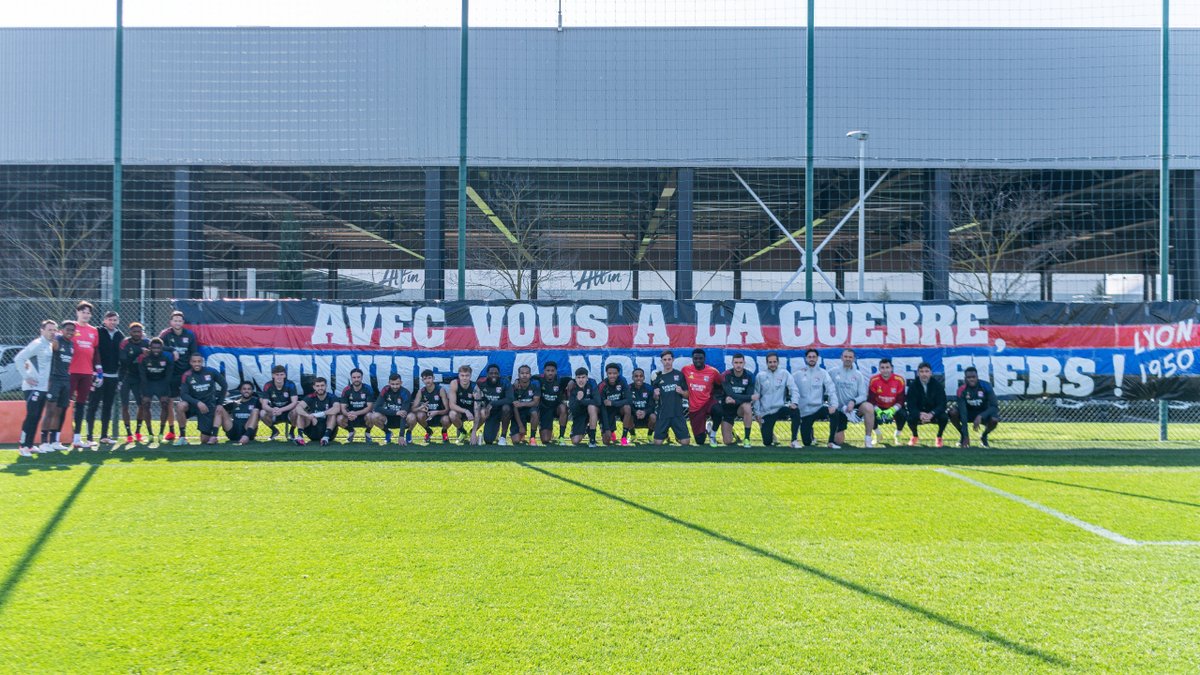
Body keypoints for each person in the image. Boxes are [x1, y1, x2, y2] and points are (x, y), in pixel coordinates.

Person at [13, 320, 57, 456]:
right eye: (49, 329)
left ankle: (30, 445)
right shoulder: (37, 344)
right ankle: (23, 445)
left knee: (37, 416)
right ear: (42, 330)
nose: (52, 332)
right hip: (33, 388)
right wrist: (26, 376)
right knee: (32, 415)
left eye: (54, 330)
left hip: (43, 388)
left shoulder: (50, 345)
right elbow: (18, 358)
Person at [84, 310, 124, 445]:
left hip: (113, 377)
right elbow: (93, 351)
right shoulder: (97, 332)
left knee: (108, 406)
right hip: (98, 376)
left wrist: (120, 377)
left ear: (118, 321)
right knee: (93, 405)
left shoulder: (120, 335)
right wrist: (95, 370)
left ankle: (104, 436)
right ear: (104, 320)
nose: (112, 322)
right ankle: (89, 437)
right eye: (110, 320)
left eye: (115, 320)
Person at [159, 310, 199, 442]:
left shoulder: (190, 335)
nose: (177, 322)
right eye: (175, 320)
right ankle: (171, 431)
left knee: (185, 403)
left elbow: (194, 354)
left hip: (185, 375)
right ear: (171, 322)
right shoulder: (165, 334)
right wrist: (172, 350)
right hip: (170, 374)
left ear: (183, 323)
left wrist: (192, 372)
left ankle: (185, 432)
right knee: (168, 402)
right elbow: (156, 347)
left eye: (180, 320)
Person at [67, 301, 101, 448]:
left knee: (81, 405)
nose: (85, 315)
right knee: (63, 404)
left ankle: (76, 438)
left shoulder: (94, 330)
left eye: (88, 312)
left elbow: (95, 350)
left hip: (86, 373)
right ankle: (55, 437)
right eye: (83, 312)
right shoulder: (70, 328)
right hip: (70, 372)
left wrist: (98, 369)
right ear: (77, 312)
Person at [40, 320, 77, 452]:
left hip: (65, 380)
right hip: (54, 379)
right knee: (50, 410)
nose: (70, 332)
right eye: (68, 329)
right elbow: (44, 353)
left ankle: (54, 440)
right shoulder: (56, 341)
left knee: (60, 411)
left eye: (72, 330)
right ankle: (44, 441)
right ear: (62, 330)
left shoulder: (72, 344)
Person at [175, 353, 228, 445]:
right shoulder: (187, 375)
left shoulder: (211, 372)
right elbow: (184, 395)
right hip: (193, 405)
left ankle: (211, 435)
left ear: (202, 362)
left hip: (207, 407)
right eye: (194, 361)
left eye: (199, 361)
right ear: (190, 362)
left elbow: (224, 385)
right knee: (180, 406)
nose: (197, 364)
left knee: (204, 440)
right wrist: (198, 403)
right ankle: (182, 437)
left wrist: (219, 403)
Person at [794, 349, 839, 448]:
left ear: (817, 358)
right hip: (805, 412)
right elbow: (791, 388)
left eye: (814, 357)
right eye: (809, 357)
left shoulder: (823, 373)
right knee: (807, 443)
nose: (812, 359)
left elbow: (831, 389)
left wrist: (834, 405)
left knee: (834, 412)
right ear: (806, 359)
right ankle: (810, 433)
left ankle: (831, 442)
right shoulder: (798, 374)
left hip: (818, 409)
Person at [829, 348, 875, 448]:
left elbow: (863, 395)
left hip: (853, 407)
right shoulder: (832, 372)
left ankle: (868, 439)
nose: (848, 359)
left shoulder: (858, 375)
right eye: (845, 356)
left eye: (850, 357)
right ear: (841, 358)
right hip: (839, 409)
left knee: (869, 407)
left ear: (854, 359)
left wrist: (853, 401)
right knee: (839, 441)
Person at [752, 352, 799, 447]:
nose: (772, 364)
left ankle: (794, 440)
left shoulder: (784, 373)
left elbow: (793, 388)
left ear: (778, 362)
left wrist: (794, 402)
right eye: (770, 362)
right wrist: (757, 413)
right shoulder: (760, 376)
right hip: (767, 412)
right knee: (767, 442)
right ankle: (770, 435)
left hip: (780, 408)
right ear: (767, 363)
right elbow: (756, 396)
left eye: (774, 362)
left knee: (795, 411)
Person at [137, 337, 176, 443]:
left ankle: (161, 433)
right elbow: (142, 374)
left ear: (161, 348)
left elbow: (168, 375)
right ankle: (150, 433)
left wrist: (164, 386)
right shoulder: (144, 358)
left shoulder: (166, 358)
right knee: (145, 404)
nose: (156, 350)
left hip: (162, 383)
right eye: (153, 348)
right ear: (150, 348)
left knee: (164, 404)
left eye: (158, 348)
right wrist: (145, 387)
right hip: (148, 383)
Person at [951, 366, 1000, 448]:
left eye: (973, 377)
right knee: (952, 412)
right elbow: (963, 413)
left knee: (994, 420)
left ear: (977, 377)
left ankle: (984, 436)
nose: (971, 379)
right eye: (969, 377)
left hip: (983, 412)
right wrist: (966, 435)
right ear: (965, 378)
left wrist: (981, 416)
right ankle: (962, 436)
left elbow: (994, 406)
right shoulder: (961, 390)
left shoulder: (986, 386)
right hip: (968, 413)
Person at [682, 348, 723, 445]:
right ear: (692, 359)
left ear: (704, 359)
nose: (698, 361)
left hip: (708, 401)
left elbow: (720, 385)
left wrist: (716, 398)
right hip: (694, 407)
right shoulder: (685, 370)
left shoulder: (713, 372)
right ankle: (706, 429)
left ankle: (713, 434)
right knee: (700, 441)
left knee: (718, 410)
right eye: (695, 358)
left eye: (700, 358)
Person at [117, 323, 149, 443]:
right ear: (130, 332)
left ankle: (138, 432)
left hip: (139, 378)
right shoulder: (125, 343)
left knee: (141, 405)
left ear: (142, 332)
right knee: (125, 406)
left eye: (139, 331)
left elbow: (155, 351)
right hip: (125, 377)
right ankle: (129, 433)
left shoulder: (146, 343)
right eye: (134, 332)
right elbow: (124, 360)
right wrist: (139, 351)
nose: (137, 334)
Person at [905, 362, 949, 447]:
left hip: (933, 413)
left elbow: (942, 404)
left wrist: (932, 413)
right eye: (921, 371)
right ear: (918, 373)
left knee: (944, 417)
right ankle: (915, 436)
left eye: (926, 371)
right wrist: (919, 414)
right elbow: (910, 405)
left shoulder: (937, 385)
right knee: (910, 418)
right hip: (920, 413)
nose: (924, 374)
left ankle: (939, 437)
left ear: (931, 373)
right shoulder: (913, 386)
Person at [651, 350, 690, 445]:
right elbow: (655, 398)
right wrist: (655, 394)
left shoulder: (679, 375)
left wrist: (681, 392)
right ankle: (665, 435)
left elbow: (687, 395)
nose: (667, 362)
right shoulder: (657, 377)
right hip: (663, 414)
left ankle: (678, 436)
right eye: (665, 360)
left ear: (673, 360)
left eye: (669, 359)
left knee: (685, 442)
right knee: (657, 443)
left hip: (677, 413)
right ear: (661, 361)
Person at [719, 353, 757, 448]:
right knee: (727, 441)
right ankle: (733, 434)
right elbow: (730, 394)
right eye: (736, 362)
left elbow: (748, 397)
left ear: (744, 363)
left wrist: (736, 400)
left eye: (740, 362)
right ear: (732, 363)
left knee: (747, 406)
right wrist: (746, 397)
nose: (738, 365)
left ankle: (747, 438)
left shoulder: (749, 376)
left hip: (740, 407)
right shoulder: (726, 375)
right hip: (728, 409)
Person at [868, 358, 907, 446]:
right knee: (869, 412)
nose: (885, 370)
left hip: (893, 406)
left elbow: (901, 400)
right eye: (882, 368)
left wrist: (892, 410)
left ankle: (897, 435)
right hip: (879, 406)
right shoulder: (874, 380)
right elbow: (871, 399)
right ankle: (878, 434)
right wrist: (878, 411)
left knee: (903, 414)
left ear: (892, 368)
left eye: (887, 367)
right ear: (879, 369)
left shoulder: (899, 380)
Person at [293, 377, 340, 446]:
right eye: (317, 386)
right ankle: (300, 437)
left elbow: (337, 408)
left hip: (328, 431)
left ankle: (325, 438)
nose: (320, 388)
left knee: (333, 414)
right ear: (314, 387)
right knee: (301, 414)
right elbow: (298, 407)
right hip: (313, 430)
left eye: (322, 385)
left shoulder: (332, 397)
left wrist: (318, 415)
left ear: (326, 386)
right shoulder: (310, 397)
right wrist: (309, 416)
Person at [367, 373, 411, 445]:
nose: (395, 386)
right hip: (388, 418)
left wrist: (401, 435)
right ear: (389, 383)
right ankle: (388, 432)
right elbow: (377, 407)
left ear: (401, 383)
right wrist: (395, 412)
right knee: (374, 416)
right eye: (392, 384)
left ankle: (408, 434)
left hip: (403, 420)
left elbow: (403, 415)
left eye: (397, 384)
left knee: (412, 417)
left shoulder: (405, 393)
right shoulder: (385, 389)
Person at [259, 365, 300, 441]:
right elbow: (264, 404)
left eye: (281, 374)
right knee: (262, 413)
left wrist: (282, 410)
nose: (279, 377)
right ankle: (274, 431)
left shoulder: (290, 384)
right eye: (277, 375)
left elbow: (294, 402)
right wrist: (272, 410)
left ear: (285, 375)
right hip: (274, 411)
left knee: (296, 411)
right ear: (273, 375)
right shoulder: (268, 385)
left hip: (288, 411)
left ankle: (292, 432)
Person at [409, 369, 450, 444]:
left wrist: (436, 412)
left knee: (446, 419)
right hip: (427, 417)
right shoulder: (421, 391)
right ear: (422, 380)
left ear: (433, 378)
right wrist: (420, 408)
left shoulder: (440, 390)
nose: (427, 381)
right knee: (419, 415)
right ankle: (428, 431)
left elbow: (447, 409)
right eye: (425, 379)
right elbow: (413, 409)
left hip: (440, 415)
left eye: (429, 378)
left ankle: (444, 432)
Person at [477, 364, 513, 445]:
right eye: (491, 373)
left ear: (499, 374)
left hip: (502, 412)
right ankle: (492, 432)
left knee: (506, 408)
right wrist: (484, 407)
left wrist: (492, 403)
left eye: (496, 373)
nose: (494, 375)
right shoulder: (481, 383)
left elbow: (510, 399)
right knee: (488, 440)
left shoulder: (505, 382)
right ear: (487, 374)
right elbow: (478, 398)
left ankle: (503, 437)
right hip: (490, 413)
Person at [535, 361, 569, 446]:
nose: (550, 373)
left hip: (556, 408)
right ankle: (546, 430)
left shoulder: (561, 380)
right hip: (545, 410)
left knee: (563, 408)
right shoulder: (538, 379)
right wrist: (517, 381)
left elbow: (572, 380)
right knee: (545, 440)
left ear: (556, 371)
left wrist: (571, 382)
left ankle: (561, 437)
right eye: (548, 370)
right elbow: (526, 379)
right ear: (544, 371)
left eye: (552, 370)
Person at [598, 363, 632, 446]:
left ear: (618, 373)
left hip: (619, 407)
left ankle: (624, 437)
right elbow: (602, 408)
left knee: (627, 408)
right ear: (606, 374)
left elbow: (629, 400)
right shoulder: (602, 385)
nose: (612, 376)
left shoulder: (622, 381)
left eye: (614, 373)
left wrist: (612, 403)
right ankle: (611, 431)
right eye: (610, 373)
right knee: (606, 441)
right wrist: (606, 429)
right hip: (608, 411)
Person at [565, 367, 600, 447]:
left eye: (583, 377)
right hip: (580, 415)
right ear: (575, 379)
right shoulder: (572, 387)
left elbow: (598, 401)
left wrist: (582, 401)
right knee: (575, 441)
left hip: (592, 413)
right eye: (578, 378)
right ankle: (587, 429)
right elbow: (573, 410)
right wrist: (577, 400)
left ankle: (592, 440)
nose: (581, 380)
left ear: (587, 378)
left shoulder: (592, 384)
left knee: (591, 407)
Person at [447, 364, 481, 445]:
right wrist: (465, 411)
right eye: (462, 375)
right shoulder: (454, 384)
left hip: (472, 411)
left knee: (483, 413)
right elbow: (451, 405)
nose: (464, 378)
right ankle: (463, 432)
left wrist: (474, 432)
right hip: (461, 410)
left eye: (467, 375)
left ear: (470, 376)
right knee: (452, 414)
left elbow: (477, 411)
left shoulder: (475, 388)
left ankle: (471, 433)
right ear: (458, 375)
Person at [509, 365, 541, 445]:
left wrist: (522, 404)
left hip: (530, 410)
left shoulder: (535, 384)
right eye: (522, 373)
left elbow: (535, 402)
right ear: (518, 375)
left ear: (530, 375)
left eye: (527, 373)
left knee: (534, 412)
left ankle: (532, 438)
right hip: (518, 413)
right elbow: (515, 407)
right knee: (516, 441)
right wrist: (520, 426)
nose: (524, 375)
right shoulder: (514, 387)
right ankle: (522, 433)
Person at [627, 367, 657, 445]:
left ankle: (650, 436)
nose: (638, 378)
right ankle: (633, 435)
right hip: (634, 416)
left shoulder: (649, 388)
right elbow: (628, 404)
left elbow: (652, 406)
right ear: (632, 377)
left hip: (646, 416)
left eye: (641, 376)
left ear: (644, 377)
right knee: (627, 415)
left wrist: (645, 412)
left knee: (653, 417)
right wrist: (635, 411)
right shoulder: (628, 389)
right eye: (636, 376)